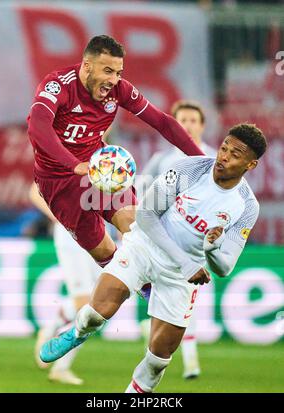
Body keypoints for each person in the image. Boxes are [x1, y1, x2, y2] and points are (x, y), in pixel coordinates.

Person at [39, 123, 267, 392]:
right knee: (98, 313)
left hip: (182, 276)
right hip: (145, 247)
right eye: (224, 148)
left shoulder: (247, 207)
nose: (224, 157)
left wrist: (211, 250)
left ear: (250, 165)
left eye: (235, 154)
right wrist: (186, 261)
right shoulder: (189, 169)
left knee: (159, 359)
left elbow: (225, 267)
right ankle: (76, 333)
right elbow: (146, 216)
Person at [27, 35, 204, 270]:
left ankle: (152, 285)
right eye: (108, 71)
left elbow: (162, 122)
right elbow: (38, 128)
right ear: (87, 66)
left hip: (101, 168)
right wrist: (73, 165)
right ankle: (133, 284)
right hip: (59, 179)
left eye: (118, 72)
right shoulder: (58, 85)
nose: (114, 80)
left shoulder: (120, 90)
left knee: (133, 225)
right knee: (104, 251)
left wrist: (202, 162)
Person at [137, 100, 216, 380]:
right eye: (182, 120)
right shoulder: (162, 159)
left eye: (194, 120)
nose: (188, 125)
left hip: (196, 244)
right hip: (163, 241)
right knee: (177, 302)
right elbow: (142, 193)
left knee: (186, 302)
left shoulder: (216, 160)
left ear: (202, 125)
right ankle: (187, 362)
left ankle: (187, 361)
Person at [29, 182, 102, 385]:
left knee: (101, 301)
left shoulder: (104, 157)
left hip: (99, 234)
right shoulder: (66, 158)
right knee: (87, 306)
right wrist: (59, 216)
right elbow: (34, 192)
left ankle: (52, 329)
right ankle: (60, 364)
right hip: (72, 235)